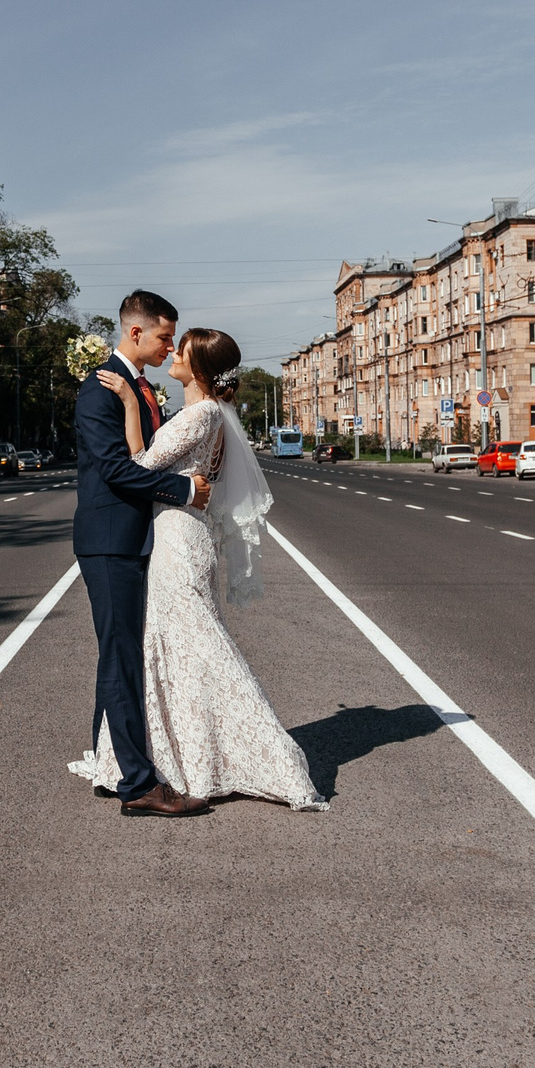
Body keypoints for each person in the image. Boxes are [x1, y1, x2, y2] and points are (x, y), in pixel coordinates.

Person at [75, 325, 324, 812]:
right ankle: (185, 758)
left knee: (193, 647)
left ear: (200, 368)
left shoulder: (201, 414)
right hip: (181, 535)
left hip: (177, 539)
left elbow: (141, 464)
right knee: (173, 650)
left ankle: (243, 756)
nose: (172, 351)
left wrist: (129, 405)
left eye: (179, 348)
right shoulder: (202, 413)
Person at [72, 291, 212, 818]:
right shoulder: (99, 389)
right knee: (121, 655)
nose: (169, 345)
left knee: (121, 653)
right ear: (136, 333)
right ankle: (137, 785)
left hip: (131, 539)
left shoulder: (137, 388)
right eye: (164, 337)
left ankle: (112, 765)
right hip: (110, 540)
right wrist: (184, 491)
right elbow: (115, 468)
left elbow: (144, 454)